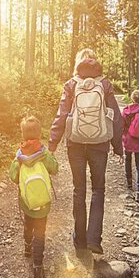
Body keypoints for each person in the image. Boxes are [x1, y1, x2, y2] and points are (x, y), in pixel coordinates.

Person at [48, 48, 123, 256]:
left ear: (78, 64)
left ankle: (79, 239)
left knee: (78, 190)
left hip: (75, 144)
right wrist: (118, 148)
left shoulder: (71, 85)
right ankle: (94, 239)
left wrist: (52, 145)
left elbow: (61, 115)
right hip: (100, 144)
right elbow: (116, 118)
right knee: (98, 189)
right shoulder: (105, 84)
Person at [9, 115, 58, 278]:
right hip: (43, 203)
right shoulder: (43, 153)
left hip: (27, 201)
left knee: (28, 224)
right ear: (39, 133)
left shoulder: (19, 156)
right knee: (40, 233)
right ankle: (38, 268)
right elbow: (55, 168)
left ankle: (27, 247)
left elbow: (14, 177)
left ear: (23, 135)